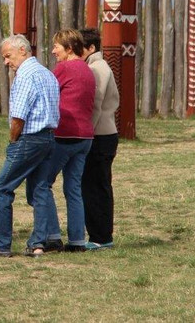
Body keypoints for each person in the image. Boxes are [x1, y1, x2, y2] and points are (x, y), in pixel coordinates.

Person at [0, 34, 59, 257]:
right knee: (40, 190)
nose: (6, 62)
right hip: (49, 137)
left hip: (28, 138)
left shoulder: (24, 76)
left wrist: (13, 140)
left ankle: (0, 244)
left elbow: (18, 118)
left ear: (23, 50)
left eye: (8, 56)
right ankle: (39, 243)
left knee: (1, 189)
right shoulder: (47, 73)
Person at [28, 29, 95, 256]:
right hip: (85, 136)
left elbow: (45, 88)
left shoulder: (65, 68)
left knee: (42, 184)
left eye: (57, 46)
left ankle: (51, 236)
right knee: (73, 188)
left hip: (64, 135)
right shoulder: (87, 69)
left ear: (69, 48)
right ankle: (77, 239)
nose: (54, 50)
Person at [79, 27, 120, 251]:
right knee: (98, 184)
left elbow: (95, 103)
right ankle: (101, 234)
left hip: (99, 135)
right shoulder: (98, 66)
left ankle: (100, 236)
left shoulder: (97, 68)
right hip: (104, 132)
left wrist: (86, 132)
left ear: (91, 48)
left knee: (95, 185)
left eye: (79, 47)